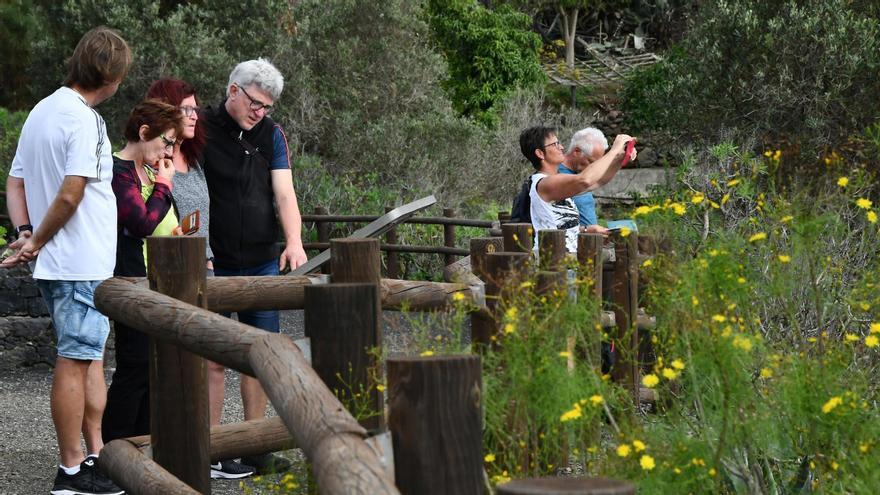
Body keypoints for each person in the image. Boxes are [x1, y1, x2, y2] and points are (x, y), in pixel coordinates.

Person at [2, 26, 130, 495]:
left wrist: (24, 234)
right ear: (112, 77)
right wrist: (37, 241)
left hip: (65, 263)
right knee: (76, 361)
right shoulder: (83, 120)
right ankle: (71, 470)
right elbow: (73, 191)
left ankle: (94, 454)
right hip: (79, 263)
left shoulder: (41, 110)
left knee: (90, 359)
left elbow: (14, 183)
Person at [201, 58, 308, 475]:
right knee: (210, 357)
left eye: (267, 107)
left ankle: (254, 444)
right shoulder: (202, 130)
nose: (259, 112)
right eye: (255, 103)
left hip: (261, 260)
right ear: (233, 91)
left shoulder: (272, 135)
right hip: (213, 261)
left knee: (261, 354)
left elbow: (285, 193)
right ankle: (210, 446)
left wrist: (294, 241)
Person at [146, 78, 255, 479]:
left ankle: (211, 447)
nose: (194, 116)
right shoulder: (155, 160)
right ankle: (172, 444)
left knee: (212, 362)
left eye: (195, 109)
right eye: (187, 110)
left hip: (205, 267)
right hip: (170, 271)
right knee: (173, 362)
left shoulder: (195, 155)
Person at [101, 100, 183, 444]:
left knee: (154, 366)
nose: (169, 151)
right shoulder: (118, 170)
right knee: (134, 364)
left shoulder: (147, 171)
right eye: (166, 142)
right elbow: (140, 223)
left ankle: (145, 442)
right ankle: (116, 445)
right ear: (144, 132)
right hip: (128, 279)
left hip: (156, 279)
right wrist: (164, 185)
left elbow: (159, 220)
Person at [519, 126, 635, 252]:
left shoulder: (557, 182)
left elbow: (599, 180)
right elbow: (585, 180)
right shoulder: (544, 183)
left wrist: (620, 157)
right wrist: (615, 150)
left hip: (568, 260)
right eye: (555, 144)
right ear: (540, 153)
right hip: (553, 264)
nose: (562, 147)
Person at [560, 127, 608, 231]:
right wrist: (586, 230)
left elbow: (603, 179)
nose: (593, 168)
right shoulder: (557, 174)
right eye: (590, 161)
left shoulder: (582, 173)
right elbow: (555, 225)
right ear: (576, 151)